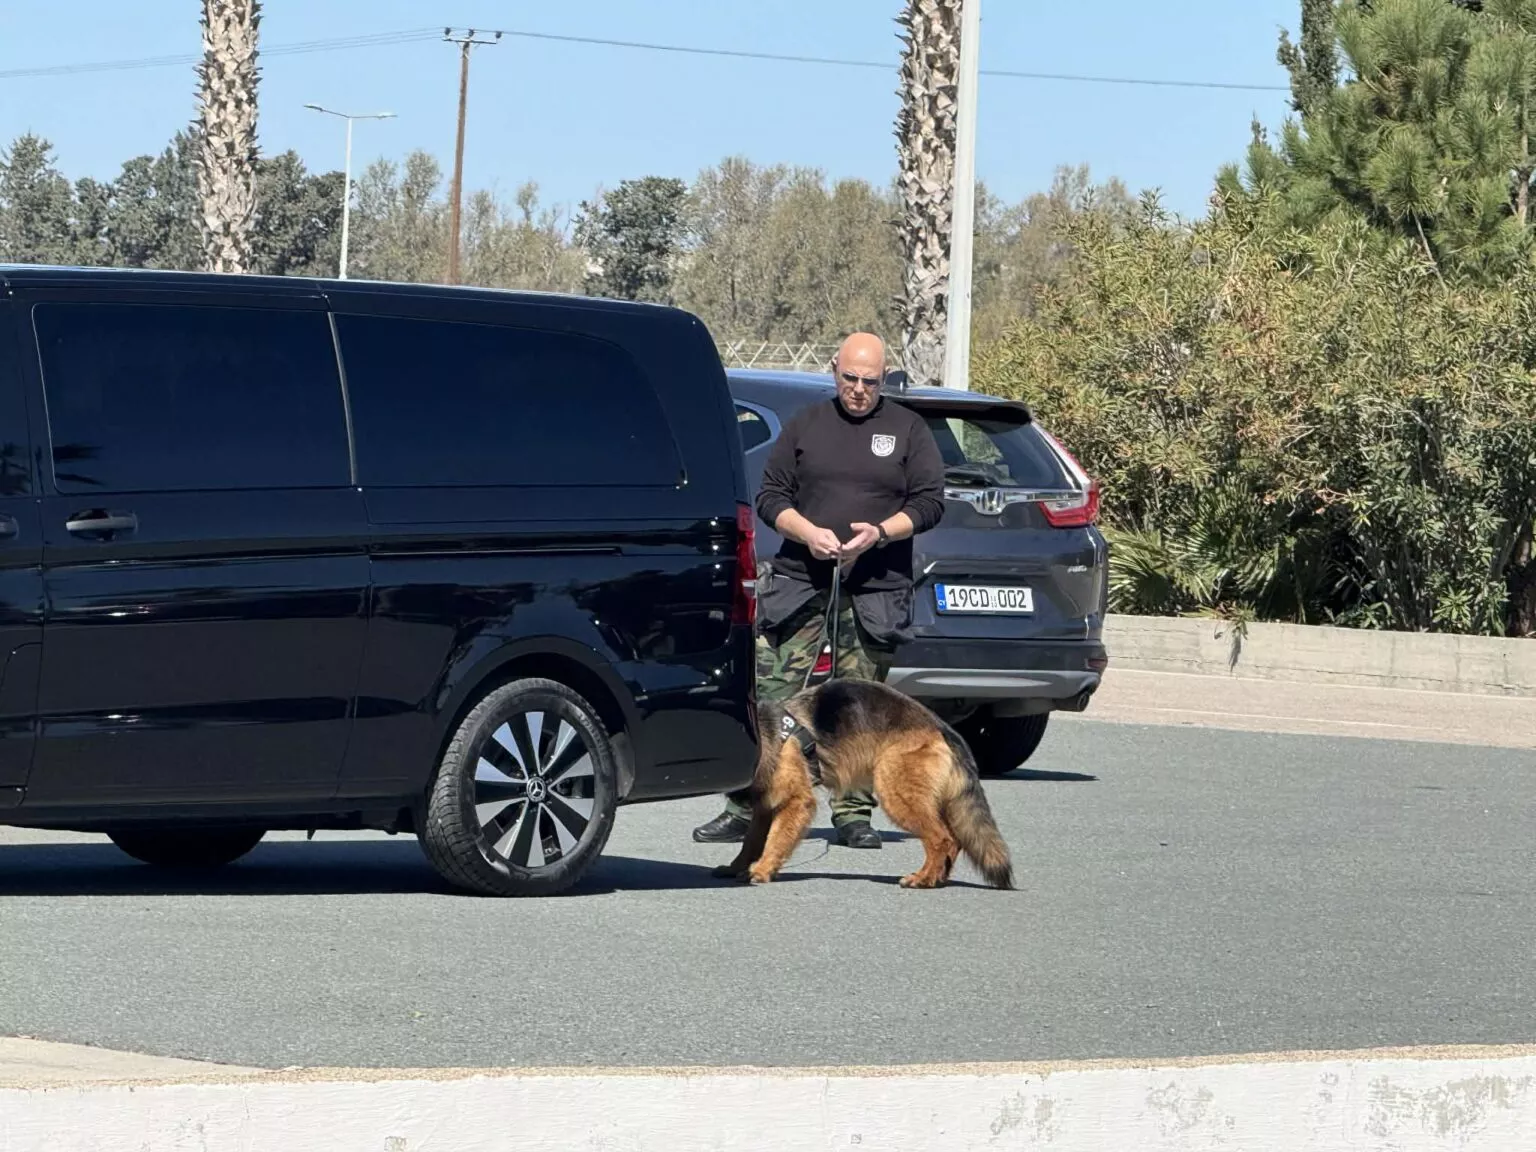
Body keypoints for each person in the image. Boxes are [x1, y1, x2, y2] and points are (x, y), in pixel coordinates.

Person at [692, 331, 946, 849]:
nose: (859, 389)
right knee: (771, 699)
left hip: (876, 588)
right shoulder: (806, 424)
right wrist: (808, 533)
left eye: (870, 381)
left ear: (883, 378)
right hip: (800, 581)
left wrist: (880, 534)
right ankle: (746, 806)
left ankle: (852, 813)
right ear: (834, 370)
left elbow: (930, 503)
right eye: (850, 378)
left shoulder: (908, 429)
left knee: (861, 707)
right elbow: (770, 497)